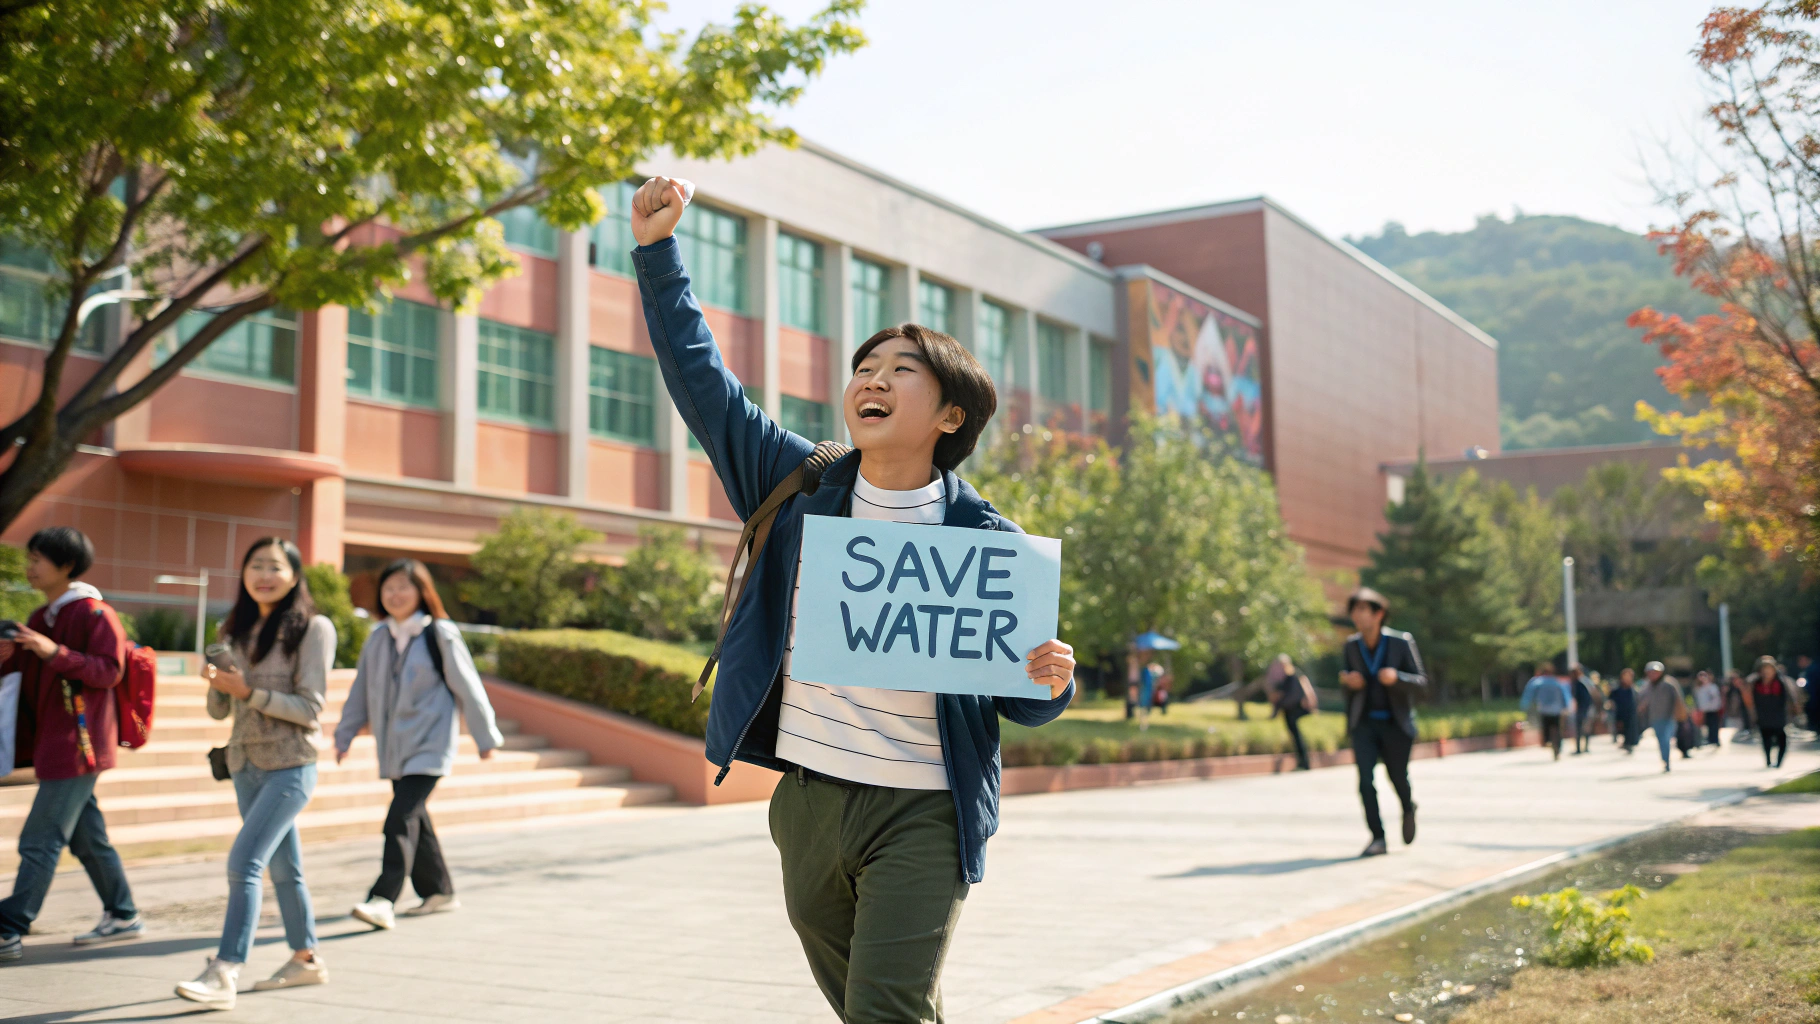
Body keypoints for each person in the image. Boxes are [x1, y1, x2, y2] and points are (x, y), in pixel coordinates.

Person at [630, 174, 1077, 1023]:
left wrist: (1052, 680)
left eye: (901, 371)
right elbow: (702, 383)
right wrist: (658, 253)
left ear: (950, 416)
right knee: (878, 1008)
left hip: (923, 813)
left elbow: (1021, 700)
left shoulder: (992, 544)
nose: (872, 379)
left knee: (883, 1010)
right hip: (806, 803)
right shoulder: (799, 483)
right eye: (865, 367)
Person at [175, 538, 335, 1009]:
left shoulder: (313, 628)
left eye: (275, 566)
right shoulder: (236, 629)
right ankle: (306, 959)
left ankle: (225, 969)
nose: (264, 574)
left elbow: (311, 708)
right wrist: (217, 683)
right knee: (285, 870)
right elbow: (219, 712)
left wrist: (247, 692)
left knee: (244, 862)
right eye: (255, 566)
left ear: (294, 575)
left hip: (292, 766)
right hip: (245, 764)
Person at [339, 559, 504, 929]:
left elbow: (468, 685)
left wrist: (485, 737)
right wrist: (345, 733)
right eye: (389, 587)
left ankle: (383, 898)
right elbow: (360, 690)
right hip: (395, 748)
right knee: (415, 818)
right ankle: (439, 891)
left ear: (421, 591)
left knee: (399, 818)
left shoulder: (440, 633)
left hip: (430, 745)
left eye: (403, 586)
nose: (395, 594)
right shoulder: (378, 637)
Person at [0, 527, 140, 963]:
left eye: (39, 559)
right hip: (58, 744)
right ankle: (123, 913)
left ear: (66, 566)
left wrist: (52, 651)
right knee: (87, 839)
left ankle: (8, 927)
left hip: (80, 746)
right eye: (31, 558)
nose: (31, 567)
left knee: (40, 839)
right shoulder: (45, 616)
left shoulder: (95, 613)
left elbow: (108, 671)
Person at [1338, 586, 1427, 858]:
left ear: (1379, 614)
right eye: (1354, 611)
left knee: (1397, 776)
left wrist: (1397, 678)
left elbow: (1422, 683)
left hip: (1395, 725)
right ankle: (1377, 837)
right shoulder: (1351, 646)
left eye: (1363, 610)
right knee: (1365, 780)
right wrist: (1347, 682)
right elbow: (1345, 684)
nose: (1357, 616)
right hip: (1364, 724)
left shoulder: (1401, 642)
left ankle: (1408, 807)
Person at [1267, 653, 1317, 770]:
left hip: (1293, 709)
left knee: (1297, 736)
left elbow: (1281, 696)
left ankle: (1304, 762)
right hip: (1290, 710)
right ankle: (1302, 761)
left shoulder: (1291, 677)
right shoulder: (1288, 677)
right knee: (1296, 736)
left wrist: (1274, 712)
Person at [1636, 661, 1687, 774]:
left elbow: (1678, 700)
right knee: (1661, 739)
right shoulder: (1647, 686)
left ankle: (1666, 761)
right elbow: (1642, 699)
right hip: (1655, 717)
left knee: (1666, 739)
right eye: (1650, 672)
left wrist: (1679, 713)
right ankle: (1665, 759)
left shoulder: (1668, 684)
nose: (1653, 674)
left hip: (1669, 716)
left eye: (1655, 672)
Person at [1519, 661, 1574, 761]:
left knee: (1546, 727)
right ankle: (1557, 747)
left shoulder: (1537, 682)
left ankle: (1547, 741)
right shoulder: (1558, 682)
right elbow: (1565, 696)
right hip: (1557, 710)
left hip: (1544, 710)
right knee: (1557, 729)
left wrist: (1525, 705)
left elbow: (1528, 695)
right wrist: (1567, 707)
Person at [1749, 655, 1791, 769]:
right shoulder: (1756, 685)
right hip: (1763, 718)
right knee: (1766, 739)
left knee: (1782, 739)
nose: (1766, 672)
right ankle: (1768, 760)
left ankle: (1778, 762)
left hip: (1778, 717)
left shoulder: (1780, 683)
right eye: (1764, 669)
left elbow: (1787, 701)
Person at [1608, 668, 1640, 753]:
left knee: (1631, 729)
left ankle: (1629, 744)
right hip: (1620, 712)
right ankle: (1625, 743)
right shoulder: (1617, 690)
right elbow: (1611, 700)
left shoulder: (1633, 689)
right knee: (1621, 729)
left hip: (1631, 713)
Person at [1569, 665, 1596, 754]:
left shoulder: (1582, 682)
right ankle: (1579, 748)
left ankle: (1583, 748)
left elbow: (1589, 696)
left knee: (1584, 728)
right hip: (1583, 708)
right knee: (1580, 729)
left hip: (1585, 708)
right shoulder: (1580, 682)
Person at [1693, 671, 1724, 748]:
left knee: (1714, 725)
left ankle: (1715, 739)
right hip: (1704, 710)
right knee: (1706, 726)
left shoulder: (1712, 687)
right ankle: (1709, 739)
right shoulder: (1699, 688)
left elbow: (1715, 698)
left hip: (1713, 709)